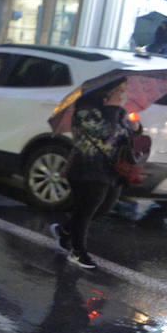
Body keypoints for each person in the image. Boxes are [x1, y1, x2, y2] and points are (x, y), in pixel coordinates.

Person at [49, 78, 138, 270]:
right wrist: (112, 110)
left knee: (104, 208)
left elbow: (125, 135)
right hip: (88, 166)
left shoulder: (121, 111)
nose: (123, 95)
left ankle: (65, 231)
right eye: (120, 91)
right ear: (109, 90)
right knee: (86, 209)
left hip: (113, 169)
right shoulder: (85, 108)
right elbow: (103, 132)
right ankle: (78, 251)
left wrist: (137, 128)